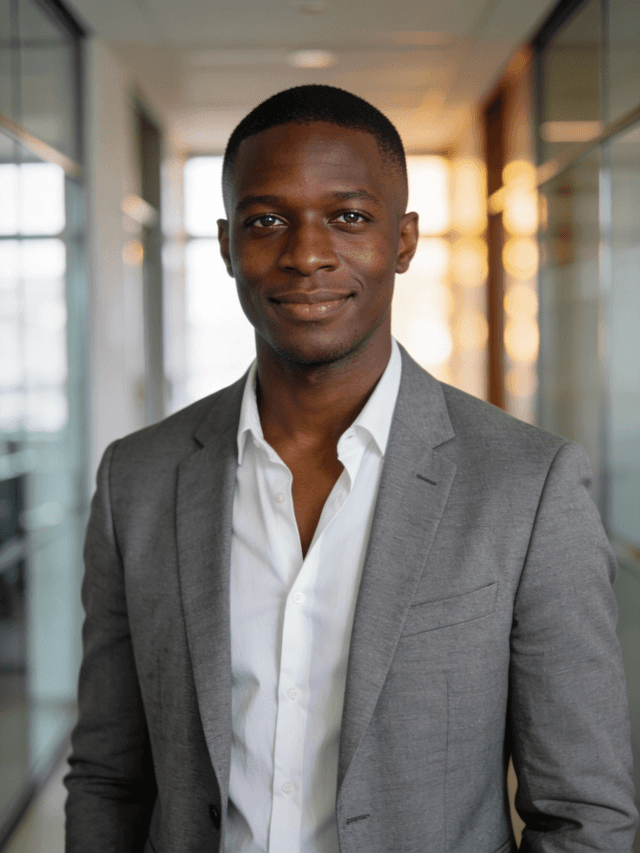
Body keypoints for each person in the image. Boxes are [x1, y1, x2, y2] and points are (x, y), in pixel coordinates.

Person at [64, 85, 638, 853]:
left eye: (349, 217)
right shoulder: (136, 480)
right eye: (268, 220)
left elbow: (583, 813)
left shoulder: (528, 486)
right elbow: (109, 774)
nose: (306, 253)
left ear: (403, 241)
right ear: (228, 243)